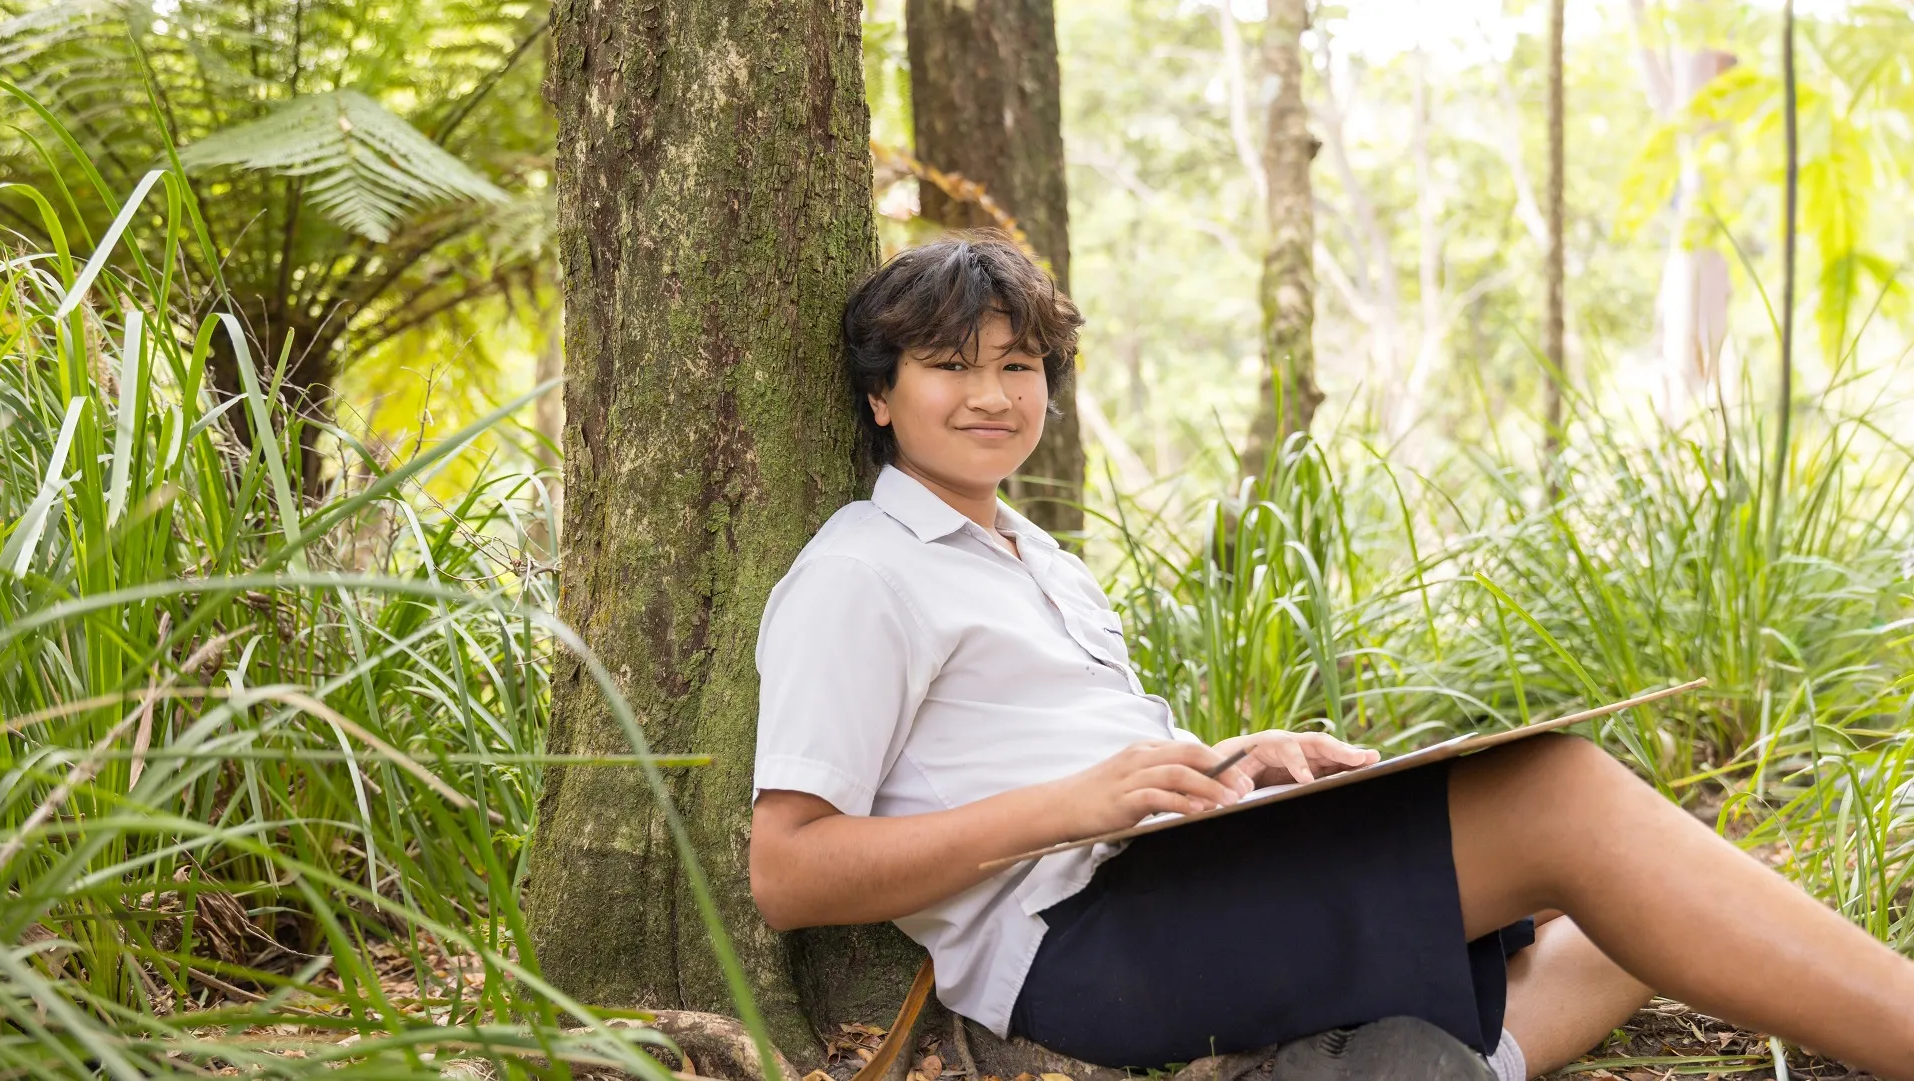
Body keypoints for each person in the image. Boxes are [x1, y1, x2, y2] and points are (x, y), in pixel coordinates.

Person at [747, 230, 1914, 1081]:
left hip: (1167, 872)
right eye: (952, 365)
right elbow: (788, 873)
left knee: (1648, 893)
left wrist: (1230, 764)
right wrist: (1069, 806)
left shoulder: (1032, 555)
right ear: (882, 398)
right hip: (1081, 944)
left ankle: (1445, 1071)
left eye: (1018, 365)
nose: (994, 394)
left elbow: (1081, 763)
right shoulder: (864, 571)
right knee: (1564, 799)